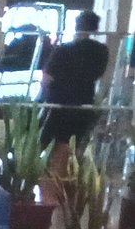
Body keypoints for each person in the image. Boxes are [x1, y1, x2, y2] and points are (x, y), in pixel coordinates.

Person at [42, 11, 109, 165]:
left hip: (59, 103)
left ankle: (53, 178)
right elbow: (99, 74)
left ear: (77, 25)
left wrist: (44, 98)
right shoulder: (101, 51)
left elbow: (47, 78)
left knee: (55, 146)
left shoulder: (63, 49)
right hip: (84, 102)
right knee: (74, 147)